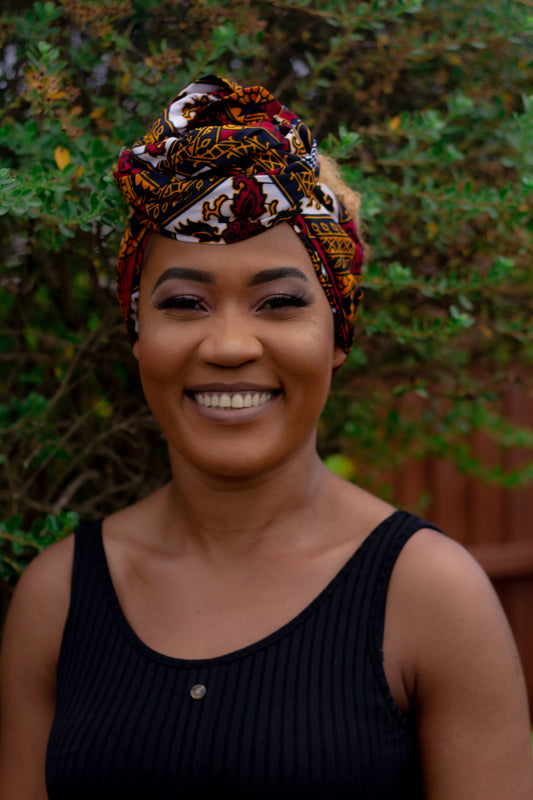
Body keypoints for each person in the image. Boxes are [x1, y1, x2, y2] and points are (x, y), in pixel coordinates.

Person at [0, 74, 532, 800]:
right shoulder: (55, 599)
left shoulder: (432, 597)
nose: (227, 345)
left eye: (279, 302)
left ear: (337, 336)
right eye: (183, 302)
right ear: (136, 333)